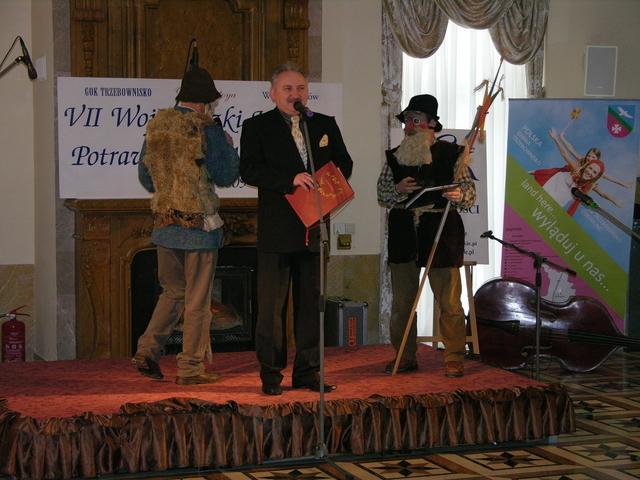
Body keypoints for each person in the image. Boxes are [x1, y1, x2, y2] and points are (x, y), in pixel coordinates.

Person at [240, 63, 353, 396]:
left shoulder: (324, 124)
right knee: (271, 310)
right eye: (288, 89)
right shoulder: (257, 127)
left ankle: (308, 372)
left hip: (314, 230)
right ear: (273, 93)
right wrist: (290, 180)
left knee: (311, 306)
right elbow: (249, 170)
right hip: (277, 231)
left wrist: (326, 181)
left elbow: (345, 163)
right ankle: (271, 374)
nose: (295, 94)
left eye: (300, 88)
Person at [132, 63, 240, 385]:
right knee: (197, 300)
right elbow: (226, 175)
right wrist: (228, 146)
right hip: (199, 230)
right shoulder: (207, 129)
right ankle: (191, 368)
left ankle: (147, 351)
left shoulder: (157, 127)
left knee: (172, 292)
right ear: (204, 103)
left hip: (165, 227)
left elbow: (146, 179)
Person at [377, 94, 476, 378]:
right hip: (404, 233)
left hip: (441, 232)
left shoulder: (453, 154)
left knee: (449, 302)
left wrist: (458, 194)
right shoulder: (394, 157)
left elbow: (469, 193)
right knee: (402, 304)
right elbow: (382, 195)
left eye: (415, 119)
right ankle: (404, 355)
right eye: (407, 120)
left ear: (432, 124)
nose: (409, 125)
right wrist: (398, 190)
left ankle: (454, 356)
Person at [531, 128, 620, 215]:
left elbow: (602, 193)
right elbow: (566, 153)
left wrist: (614, 200)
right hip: (554, 184)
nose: (590, 172)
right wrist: (557, 138)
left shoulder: (590, 183)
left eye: (594, 172)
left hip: (560, 197)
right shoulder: (578, 166)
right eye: (589, 156)